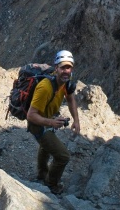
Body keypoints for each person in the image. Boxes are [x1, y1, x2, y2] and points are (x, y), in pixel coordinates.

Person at [26, 50, 81, 194]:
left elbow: (70, 99)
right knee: (63, 156)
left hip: (48, 119)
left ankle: (41, 174)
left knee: (45, 147)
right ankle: (51, 184)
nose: (65, 71)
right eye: (62, 67)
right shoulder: (45, 87)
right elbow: (31, 116)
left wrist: (76, 120)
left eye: (68, 67)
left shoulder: (65, 83)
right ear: (56, 68)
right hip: (37, 124)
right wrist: (51, 123)